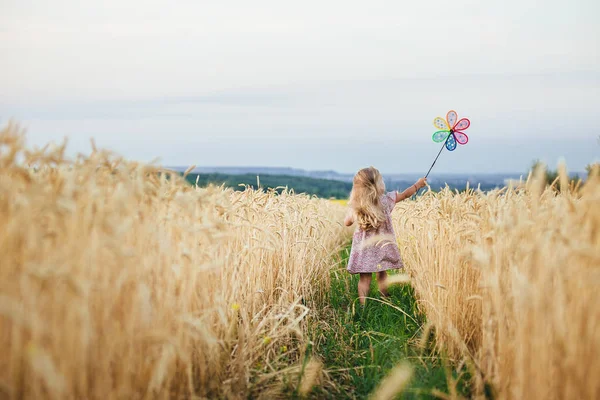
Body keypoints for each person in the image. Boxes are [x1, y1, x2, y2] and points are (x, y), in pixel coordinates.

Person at [344, 166, 427, 305]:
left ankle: (363, 306)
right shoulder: (385, 200)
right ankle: (385, 299)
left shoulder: (357, 206)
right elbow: (406, 194)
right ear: (377, 185)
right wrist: (418, 184)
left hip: (364, 249)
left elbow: (347, 223)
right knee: (382, 273)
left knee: (364, 279)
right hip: (382, 246)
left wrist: (354, 212)